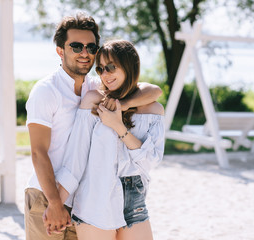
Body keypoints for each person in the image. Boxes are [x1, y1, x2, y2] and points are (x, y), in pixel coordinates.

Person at [25, 13, 162, 240]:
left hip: (82, 199)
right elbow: (38, 153)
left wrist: (123, 105)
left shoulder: (96, 85)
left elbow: (153, 91)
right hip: (47, 195)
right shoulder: (46, 91)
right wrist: (55, 203)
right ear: (61, 51)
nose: (84, 53)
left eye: (91, 47)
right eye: (76, 46)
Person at [52, 39, 165, 240]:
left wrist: (118, 126)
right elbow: (75, 160)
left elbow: (152, 160)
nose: (105, 74)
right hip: (94, 202)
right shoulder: (93, 101)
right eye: (100, 69)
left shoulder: (153, 110)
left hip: (134, 202)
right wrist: (56, 205)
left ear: (129, 66)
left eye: (111, 67)